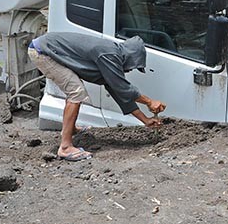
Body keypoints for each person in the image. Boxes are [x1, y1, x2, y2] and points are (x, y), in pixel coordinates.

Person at [28, 32, 166, 161]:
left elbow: (119, 93)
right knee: (76, 92)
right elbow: (123, 89)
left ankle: (72, 129)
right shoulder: (109, 54)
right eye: (133, 66)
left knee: (75, 91)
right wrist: (149, 102)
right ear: (130, 57)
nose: (130, 69)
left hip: (46, 48)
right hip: (44, 52)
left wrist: (145, 120)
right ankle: (65, 147)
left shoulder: (112, 56)